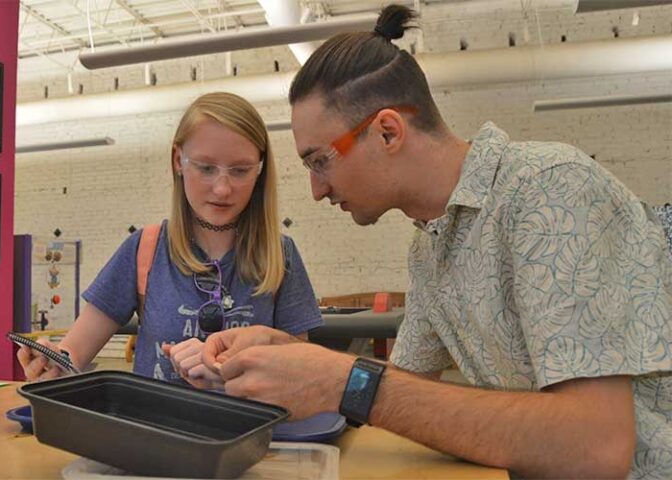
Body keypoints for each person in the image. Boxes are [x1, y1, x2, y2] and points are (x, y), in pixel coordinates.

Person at [199, 5, 672, 479]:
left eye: (319, 161)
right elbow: (405, 392)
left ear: (387, 131)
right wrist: (294, 358)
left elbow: (595, 447)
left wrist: (339, 380)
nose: (317, 190)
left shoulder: (550, 189)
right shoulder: (430, 246)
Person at [18, 92, 323, 388]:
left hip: (247, 434)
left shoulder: (281, 255)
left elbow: (299, 369)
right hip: (155, 434)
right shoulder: (144, 249)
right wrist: (52, 365)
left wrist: (230, 364)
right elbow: (74, 355)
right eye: (205, 168)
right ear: (179, 160)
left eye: (240, 170)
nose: (222, 189)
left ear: (260, 170)